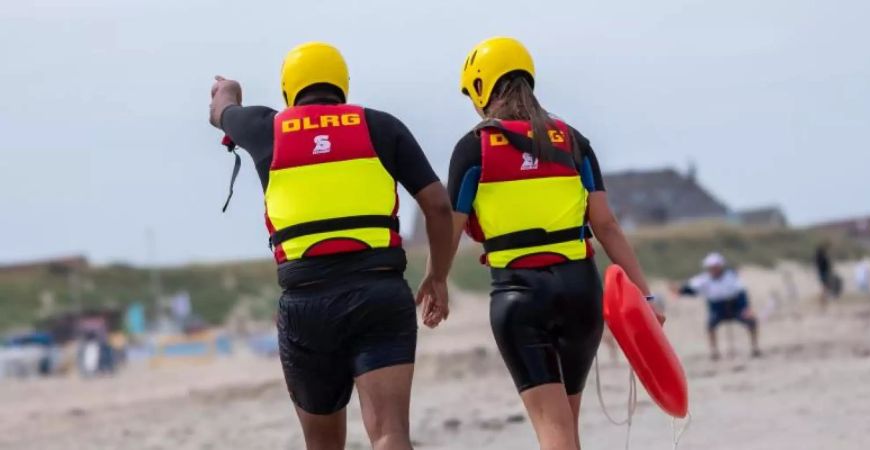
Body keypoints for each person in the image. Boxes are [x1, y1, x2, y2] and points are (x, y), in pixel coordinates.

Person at [208, 42, 454, 450]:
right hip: (380, 294)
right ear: (343, 87)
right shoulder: (380, 126)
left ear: (289, 90)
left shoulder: (266, 128)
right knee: (390, 432)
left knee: (322, 444)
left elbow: (221, 111)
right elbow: (439, 207)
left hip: (307, 304)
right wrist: (437, 277)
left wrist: (228, 90)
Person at [438, 36, 663, 450]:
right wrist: (646, 298)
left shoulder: (475, 148)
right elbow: (607, 226)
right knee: (565, 428)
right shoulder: (573, 141)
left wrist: (436, 282)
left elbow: (448, 228)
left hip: (520, 296)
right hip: (581, 292)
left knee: (553, 432)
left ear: (482, 88)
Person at [675, 252, 761, 360]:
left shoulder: (731, 276)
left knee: (751, 321)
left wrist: (746, 308)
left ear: (720, 266)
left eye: (715, 267)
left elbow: (741, 293)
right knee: (710, 325)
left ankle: (755, 347)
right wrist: (679, 290)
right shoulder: (704, 279)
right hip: (717, 309)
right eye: (711, 267)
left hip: (735, 306)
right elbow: (692, 289)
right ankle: (714, 351)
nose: (713, 269)